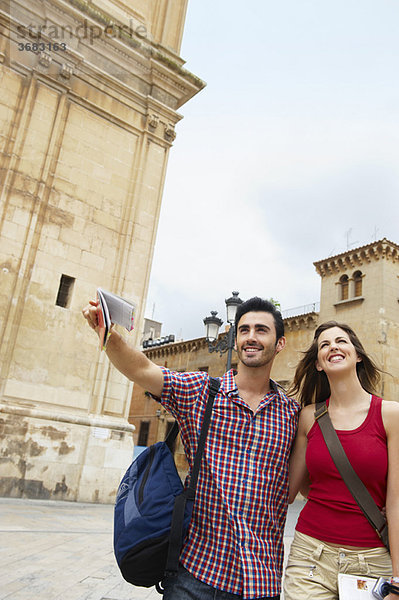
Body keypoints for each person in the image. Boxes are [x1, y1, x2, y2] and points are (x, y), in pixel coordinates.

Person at [82, 296, 300, 600]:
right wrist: (107, 335)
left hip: (259, 581)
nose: (251, 336)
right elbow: (142, 370)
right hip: (195, 574)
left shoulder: (293, 415)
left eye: (261, 330)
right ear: (235, 340)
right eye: (244, 329)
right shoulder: (200, 393)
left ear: (279, 343)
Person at [284, 321, 399, 600]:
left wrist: (397, 579)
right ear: (319, 365)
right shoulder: (308, 417)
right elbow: (290, 491)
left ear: (357, 354)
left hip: (372, 562)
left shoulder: (390, 415)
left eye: (341, 341)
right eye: (324, 345)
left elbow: (396, 502)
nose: (333, 346)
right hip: (310, 557)